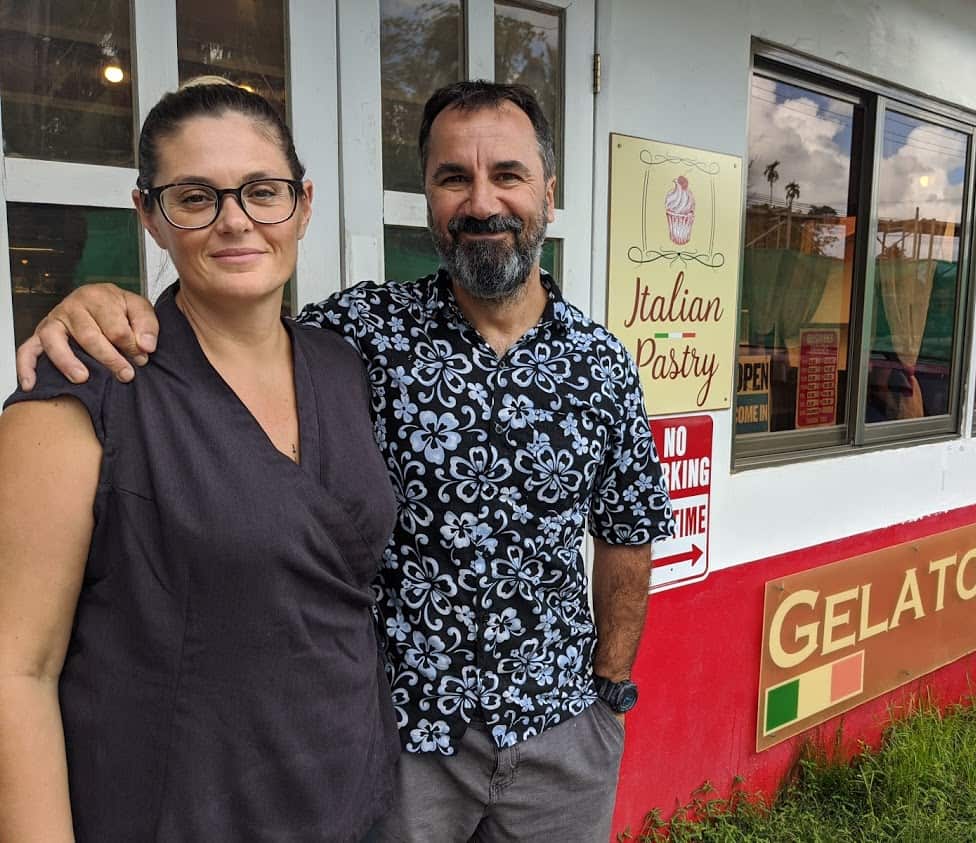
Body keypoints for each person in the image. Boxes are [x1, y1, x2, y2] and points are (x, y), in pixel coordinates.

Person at [17, 80, 675, 842]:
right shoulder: (360, 334)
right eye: (453, 177)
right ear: (428, 196)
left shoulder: (600, 362)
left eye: (508, 174)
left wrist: (609, 690)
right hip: (404, 743)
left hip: (562, 734)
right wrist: (94, 301)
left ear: (549, 194)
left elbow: (628, 527)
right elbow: (231, 315)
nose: (481, 201)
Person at [0, 78, 399, 841]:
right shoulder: (85, 388)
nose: (236, 221)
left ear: (304, 204)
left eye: (262, 191)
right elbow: (16, 671)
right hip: (177, 809)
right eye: (195, 197)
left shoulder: (340, 365)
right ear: (149, 215)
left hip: (346, 798)